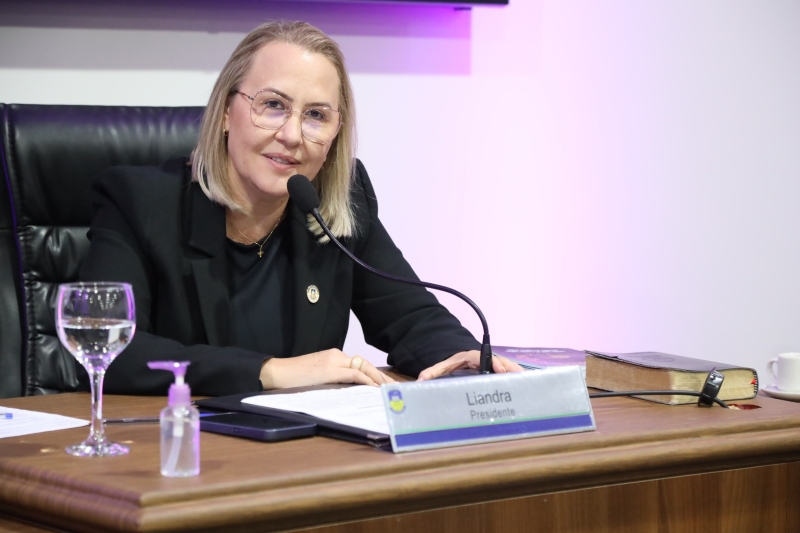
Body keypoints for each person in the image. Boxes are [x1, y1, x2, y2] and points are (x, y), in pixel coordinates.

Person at [80, 20, 522, 397]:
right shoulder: (138, 202)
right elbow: (109, 349)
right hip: (177, 454)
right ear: (224, 113)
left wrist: (461, 357)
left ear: (334, 134)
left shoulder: (339, 199)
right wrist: (269, 371)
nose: (293, 135)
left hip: (301, 458)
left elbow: (409, 314)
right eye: (273, 106)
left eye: (316, 115)